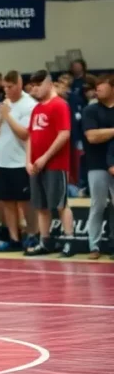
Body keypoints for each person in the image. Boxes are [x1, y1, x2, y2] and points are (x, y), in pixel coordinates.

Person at [25, 71, 74, 257]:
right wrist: (28, 160)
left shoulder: (59, 105)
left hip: (55, 164)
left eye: (38, 85)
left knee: (60, 204)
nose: (35, 89)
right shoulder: (37, 108)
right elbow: (30, 135)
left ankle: (69, 240)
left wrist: (45, 157)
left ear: (49, 84)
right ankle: (45, 241)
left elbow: (64, 134)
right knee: (41, 206)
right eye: (33, 86)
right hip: (37, 165)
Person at [0, 71, 37, 252]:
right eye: (4, 87)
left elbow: (24, 133)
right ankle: (14, 238)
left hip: (20, 160)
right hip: (2, 161)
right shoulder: (6, 104)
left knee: (24, 202)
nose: (7, 90)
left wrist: (8, 116)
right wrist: (2, 116)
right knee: (7, 201)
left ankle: (32, 235)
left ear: (19, 85)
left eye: (10, 87)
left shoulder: (29, 105)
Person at [82, 75, 114, 259]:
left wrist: (105, 133)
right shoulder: (90, 110)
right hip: (96, 164)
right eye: (96, 86)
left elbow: (99, 134)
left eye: (102, 85)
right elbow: (92, 137)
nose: (97, 88)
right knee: (98, 204)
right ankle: (94, 245)